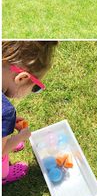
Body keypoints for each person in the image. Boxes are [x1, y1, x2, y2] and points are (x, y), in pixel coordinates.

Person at [2, 41, 58, 185]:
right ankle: (4, 176)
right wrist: (20, 137)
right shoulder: (6, 112)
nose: (34, 91)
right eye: (35, 87)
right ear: (22, 78)